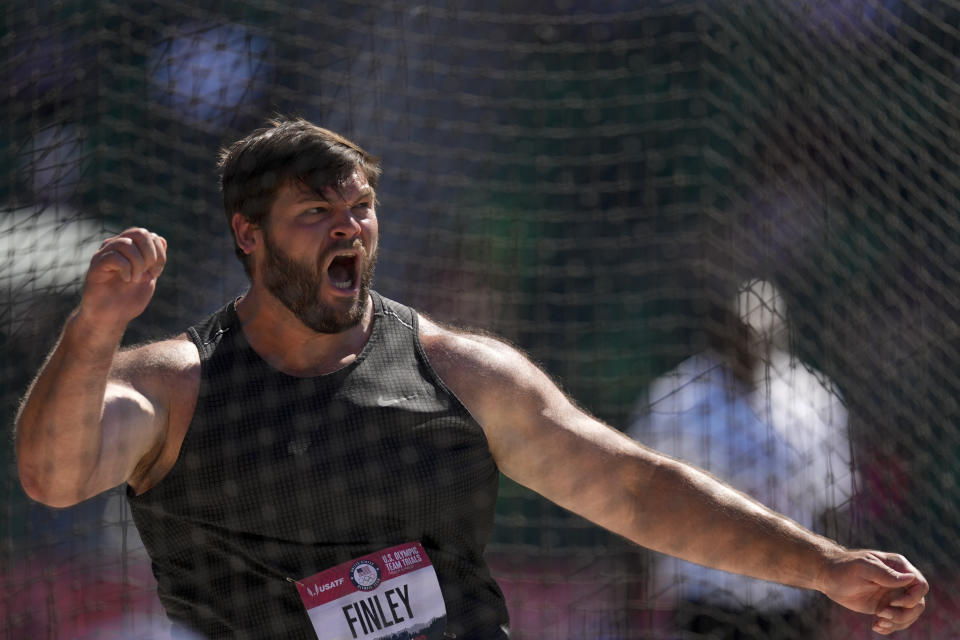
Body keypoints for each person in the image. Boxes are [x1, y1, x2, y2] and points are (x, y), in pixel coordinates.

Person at [15, 118, 927, 640]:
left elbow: (636, 492)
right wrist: (95, 328)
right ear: (247, 236)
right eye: (314, 214)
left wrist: (827, 566)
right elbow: (53, 477)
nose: (348, 230)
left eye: (361, 209)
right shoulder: (178, 385)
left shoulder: (458, 372)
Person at [628, 280, 854, 639]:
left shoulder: (814, 399)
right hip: (704, 600)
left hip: (789, 602)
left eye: (765, 325)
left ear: (781, 329)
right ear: (723, 328)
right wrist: (633, 603)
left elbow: (833, 504)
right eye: (742, 326)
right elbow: (637, 501)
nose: (753, 337)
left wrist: (829, 597)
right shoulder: (677, 399)